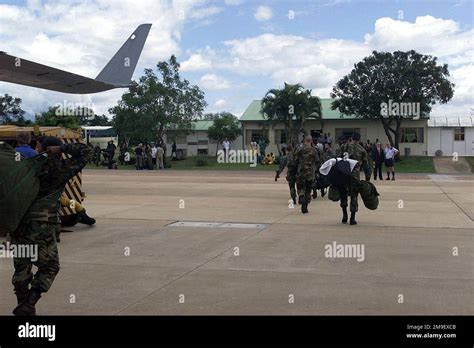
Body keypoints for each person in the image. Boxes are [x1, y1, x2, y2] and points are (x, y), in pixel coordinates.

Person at [11, 136, 91, 316]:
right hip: (41, 227)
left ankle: (23, 306)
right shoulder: (59, 169)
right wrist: (63, 148)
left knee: (22, 267)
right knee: (50, 267)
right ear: (55, 150)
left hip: (19, 225)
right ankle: (30, 302)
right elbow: (87, 151)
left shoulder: (27, 166)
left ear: (40, 147)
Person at [336, 132, 371, 225]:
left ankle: (344, 216)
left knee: (343, 194)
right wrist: (368, 178)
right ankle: (352, 218)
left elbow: (337, 159)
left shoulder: (343, 147)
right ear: (359, 139)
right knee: (354, 196)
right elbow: (366, 166)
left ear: (351, 138)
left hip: (343, 175)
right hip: (355, 177)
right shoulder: (362, 150)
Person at [294, 135, 319, 214]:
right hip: (310, 173)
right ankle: (305, 206)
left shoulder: (300, 150)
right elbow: (317, 161)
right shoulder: (314, 151)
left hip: (301, 172)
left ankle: (301, 196)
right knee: (308, 190)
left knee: (300, 187)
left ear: (304, 141)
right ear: (311, 141)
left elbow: (295, 159)